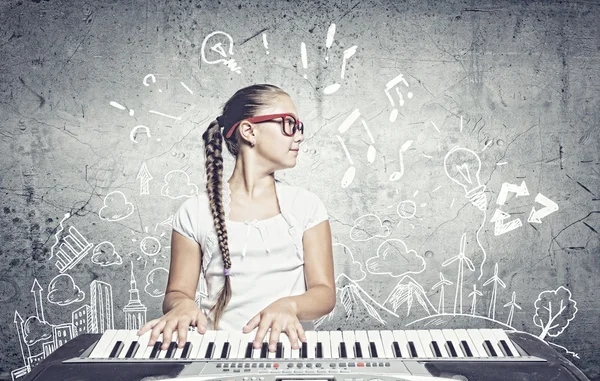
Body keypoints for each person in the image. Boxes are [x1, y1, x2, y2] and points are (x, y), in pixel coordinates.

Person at [137, 84, 335, 355]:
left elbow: (324, 292)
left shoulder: (306, 206)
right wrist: (182, 305)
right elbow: (176, 293)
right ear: (249, 131)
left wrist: (290, 305)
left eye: (300, 126)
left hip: (291, 356)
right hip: (218, 354)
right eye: (289, 124)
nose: (299, 136)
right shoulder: (194, 211)